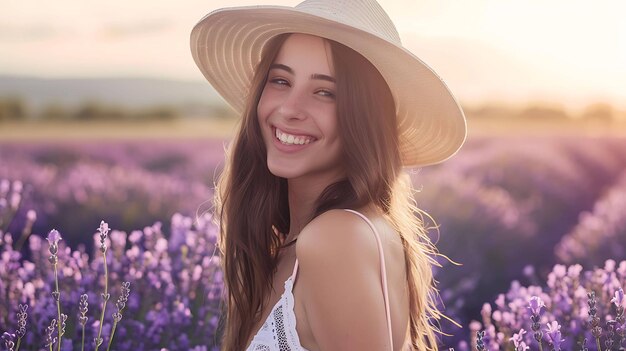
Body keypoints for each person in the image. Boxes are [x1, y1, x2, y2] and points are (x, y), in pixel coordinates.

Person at [190, 0, 467, 350]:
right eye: (280, 80)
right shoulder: (340, 231)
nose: (290, 109)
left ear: (363, 116)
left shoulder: (333, 239)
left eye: (325, 92)